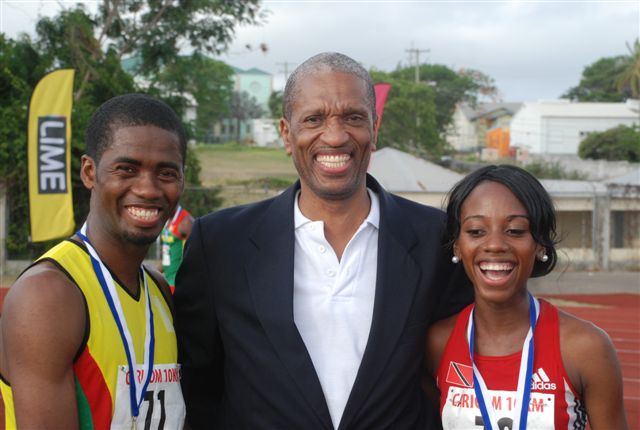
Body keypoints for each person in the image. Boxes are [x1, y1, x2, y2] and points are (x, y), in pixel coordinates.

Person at [174, 52, 473, 429]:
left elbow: (458, 375)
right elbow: (197, 387)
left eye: (353, 118)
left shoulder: (439, 240)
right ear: (286, 133)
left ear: (375, 128)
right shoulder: (219, 243)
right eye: (314, 119)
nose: (335, 136)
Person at [0, 94, 187, 429]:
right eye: (127, 169)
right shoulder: (48, 295)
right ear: (89, 172)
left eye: (166, 173)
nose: (148, 188)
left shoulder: (157, 290)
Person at [426, 165, 628, 429]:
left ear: (540, 244)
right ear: (457, 246)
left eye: (515, 231)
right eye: (476, 231)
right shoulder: (437, 343)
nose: (495, 245)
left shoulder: (585, 348)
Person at [160, 204, 193, 293]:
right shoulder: (166, 219)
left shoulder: (186, 222)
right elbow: (167, 253)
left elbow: (196, 255)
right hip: (167, 280)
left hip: (180, 283)